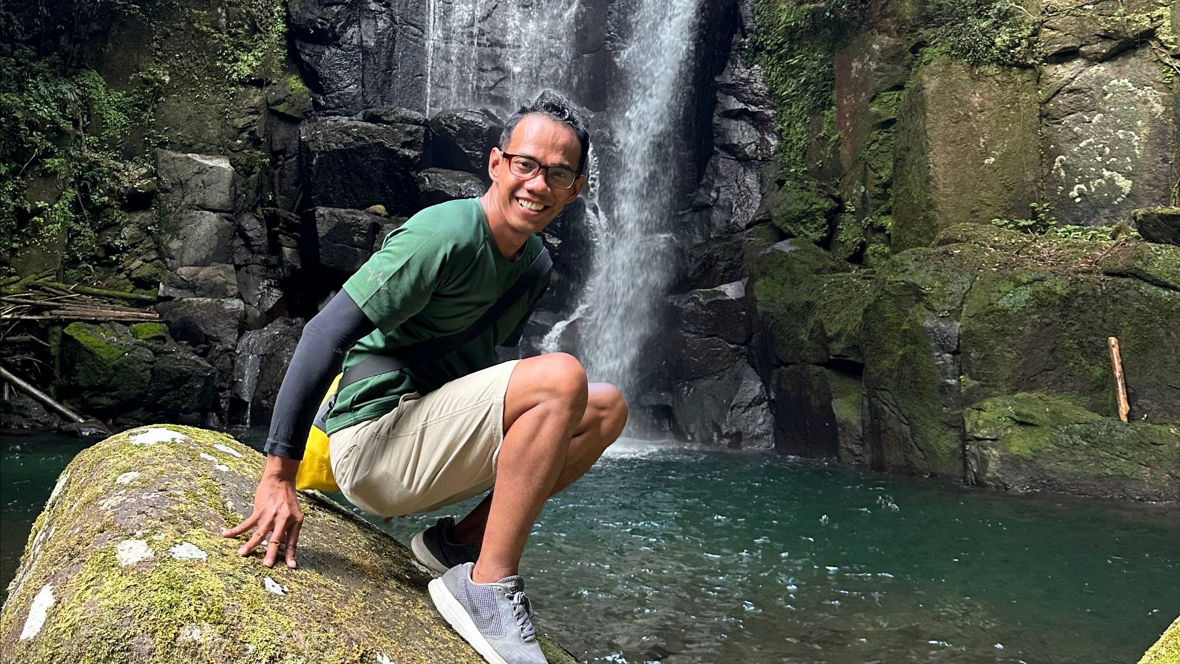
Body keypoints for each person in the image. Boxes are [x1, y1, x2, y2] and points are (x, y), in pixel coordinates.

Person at [222, 93, 628, 664]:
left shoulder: (534, 264)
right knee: (562, 377)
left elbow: (491, 370)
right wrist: (276, 477)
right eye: (526, 165)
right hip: (373, 439)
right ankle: (486, 589)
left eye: (558, 174)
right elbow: (322, 334)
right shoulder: (443, 233)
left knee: (606, 406)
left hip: (427, 442)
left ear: (575, 188)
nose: (538, 184)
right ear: (495, 164)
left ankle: (454, 546)